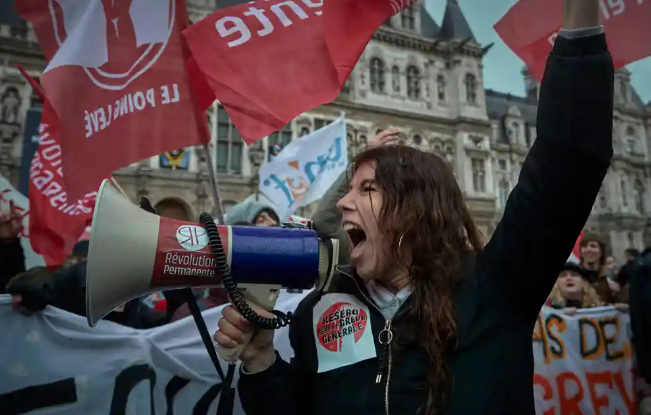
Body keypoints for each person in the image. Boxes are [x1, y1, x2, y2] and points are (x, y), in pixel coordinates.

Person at [214, 1, 615, 413]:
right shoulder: (319, 310)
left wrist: (580, 23)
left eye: (366, 188)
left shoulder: (494, 289)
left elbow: (568, 160)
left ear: (416, 207)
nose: (345, 203)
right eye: (349, 189)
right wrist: (260, 362)